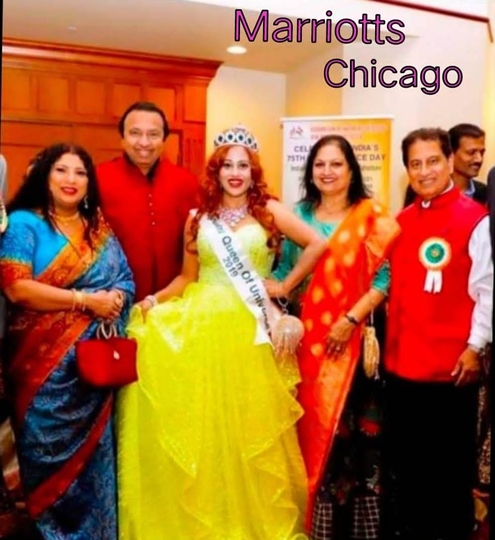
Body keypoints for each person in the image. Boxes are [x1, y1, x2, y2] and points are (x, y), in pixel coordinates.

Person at [116, 125, 328, 540]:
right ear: (215, 171)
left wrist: (283, 286)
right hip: (202, 328)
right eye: (227, 165)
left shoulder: (269, 211)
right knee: (206, 427)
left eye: (243, 166)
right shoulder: (198, 220)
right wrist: (154, 302)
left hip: (250, 330)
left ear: (253, 171)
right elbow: (185, 278)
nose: (235, 173)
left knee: (251, 430)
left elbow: (318, 243)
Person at [0, 143, 135, 539]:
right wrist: (85, 301)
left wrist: (114, 300)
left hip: (92, 377)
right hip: (40, 375)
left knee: (95, 464)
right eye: (61, 170)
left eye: (80, 172)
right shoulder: (25, 224)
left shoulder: (99, 229)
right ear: (45, 176)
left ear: (89, 183)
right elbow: (16, 289)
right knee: (45, 462)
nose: (70, 180)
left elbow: (124, 280)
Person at [270, 135, 400, 538]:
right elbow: (286, 275)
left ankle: (358, 529)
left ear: (350, 170)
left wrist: (349, 319)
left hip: (353, 348)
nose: (327, 172)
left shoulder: (371, 217)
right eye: (319, 165)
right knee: (308, 433)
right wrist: (262, 289)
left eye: (336, 164)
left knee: (355, 441)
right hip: (307, 343)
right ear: (310, 171)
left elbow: (385, 278)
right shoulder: (299, 215)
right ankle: (316, 526)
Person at [382, 128, 493, 540]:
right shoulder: (401, 221)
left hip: (450, 371)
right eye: (415, 163)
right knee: (406, 473)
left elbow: (487, 290)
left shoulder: (475, 219)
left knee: (446, 479)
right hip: (401, 368)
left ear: (449, 162)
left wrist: (474, 346)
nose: (424, 171)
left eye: (432, 161)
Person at [96, 101, 199, 301]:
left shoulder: (187, 183)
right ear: (123, 139)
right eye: (135, 133)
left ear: (164, 139)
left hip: (173, 304)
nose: (144, 142)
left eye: (153, 134)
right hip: (113, 303)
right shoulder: (98, 179)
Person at [403, 123, 487, 207]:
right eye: (471, 153)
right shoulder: (423, 187)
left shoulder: (485, 192)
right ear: (451, 155)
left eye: (482, 152)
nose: (479, 159)